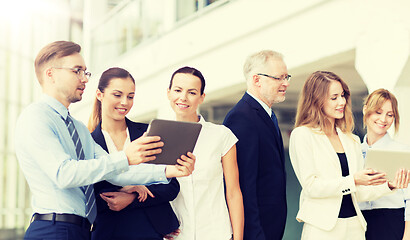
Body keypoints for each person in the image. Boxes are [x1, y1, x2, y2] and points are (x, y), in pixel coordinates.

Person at [14, 41, 195, 240]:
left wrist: (170, 170)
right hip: (52, 229)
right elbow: (63, 174)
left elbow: (117, 173)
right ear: (51, 74)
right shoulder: (36, 117)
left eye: (85, 72)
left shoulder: (78, 128)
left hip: (81, 231)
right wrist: (124, 157)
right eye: (77, 71)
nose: (84, 79)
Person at [289, 71, 409, 239]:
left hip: (355, 228)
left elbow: (358, 193)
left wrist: (389, 186)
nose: (342, 102)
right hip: (322, 228)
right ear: (317, 100)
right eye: (334, 97)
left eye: (343, 95)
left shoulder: (351, 140)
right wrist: (353, 180)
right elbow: (312, 187)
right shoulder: (302, 135)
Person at [87, 67, 180, 240]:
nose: (125, 102)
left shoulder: (149, 133)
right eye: (117, 95)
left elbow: (171, 187)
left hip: (148, 229)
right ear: (100, 95)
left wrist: (133, 196)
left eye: (130, 97)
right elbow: (89, 192)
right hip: (109, 232)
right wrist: (124, 188)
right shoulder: (89, 142)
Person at [167, 66, 244, 240]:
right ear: (169, 93)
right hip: (176, 236)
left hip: (217, 234)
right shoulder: (155, 136)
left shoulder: (222, 135)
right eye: (178, 90)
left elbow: (233, 192)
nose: (183, 97)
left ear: (202, 97)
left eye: (192, 92)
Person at [223, 50, 289, 239]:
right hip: (257, 232)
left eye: (286, 77)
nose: (286, 83)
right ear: (256, 80)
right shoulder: (242, 118)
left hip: (270, 227)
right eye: (279, 78)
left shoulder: (267, 115)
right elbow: (243, 185)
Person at [359, 88, 410, 240]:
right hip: (358, 224)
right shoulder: (352, 150)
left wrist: (407, 236)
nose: (384, 119)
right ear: (365, 110)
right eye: (378, 112)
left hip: (392, 222)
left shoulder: (403, 152)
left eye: (390, 115)